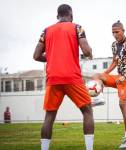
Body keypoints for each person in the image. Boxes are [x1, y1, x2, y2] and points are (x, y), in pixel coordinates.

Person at [33, 4, 94, 150]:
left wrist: (53, 56)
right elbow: (86, 51)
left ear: (57, 16)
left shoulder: (46, 31)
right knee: (87, 111)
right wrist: (90, 51)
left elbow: (36, 56)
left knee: (49, 116)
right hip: (72, 78)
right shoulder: (77, 27)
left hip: (53, 79)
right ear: (71, 15)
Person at [92, 20, 126, 149]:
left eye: (117, 32)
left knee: (123, 104)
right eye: (113, 32)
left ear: (123, 31)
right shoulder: (114, 45)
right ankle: (99, 98)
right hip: (119, 77)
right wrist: (105, 74)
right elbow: (115, 61)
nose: (115, 34)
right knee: (96, 76)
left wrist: (125, 75)